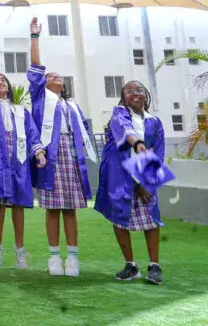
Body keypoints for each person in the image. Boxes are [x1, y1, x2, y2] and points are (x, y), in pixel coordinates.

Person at [28, 17, 96, 277]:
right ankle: (55, 257)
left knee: (70, 208)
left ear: (64, 84)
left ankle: (73, 258)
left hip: (72, 155)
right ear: (43, 84)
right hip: (51, 155)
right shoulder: (40, 99)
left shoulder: (73, 106)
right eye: (49, 76)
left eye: (58, 76)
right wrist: (35, 37)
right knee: (53, 208)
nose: (54, 77)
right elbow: (35, 66)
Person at [0, 43, 47, 270]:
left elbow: (32, 133)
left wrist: (38, 152)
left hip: (18, 162)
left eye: (2, 80)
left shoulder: (20, 111)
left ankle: (20, 249)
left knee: (17, 205)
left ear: (8, 86)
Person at [95, 81, 164, 285]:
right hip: (119, 175)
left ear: (146, 95)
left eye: (139, 90)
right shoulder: (119, 114)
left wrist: (145, 183)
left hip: (144, 176)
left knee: (151, 220)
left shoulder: (155, 121)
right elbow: (126, 132)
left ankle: (154, 266)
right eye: (130, 91)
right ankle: (131, 265)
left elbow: (158, 153)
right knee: (119, 219)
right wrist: (139, 144)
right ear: (124, 97)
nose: (135, 94)